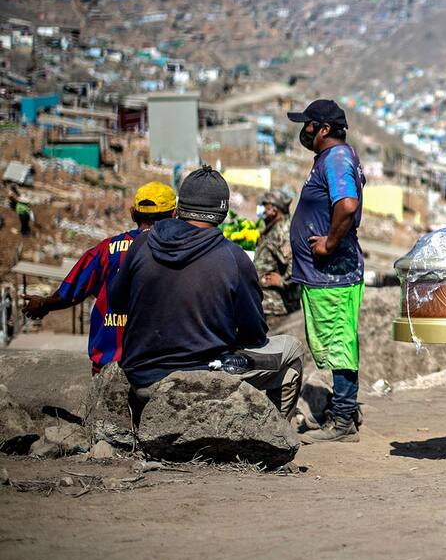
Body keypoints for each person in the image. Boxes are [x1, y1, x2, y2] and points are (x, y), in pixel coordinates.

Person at [109, 166, 304, 417]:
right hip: (203, 381)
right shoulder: (234, 258)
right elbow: (255, 335)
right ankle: (274, 439)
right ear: (222, 213)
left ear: (178, 209)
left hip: (142, 379)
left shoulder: (141, 244)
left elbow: (116, 303)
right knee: (292, 350)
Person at [22, 181, 176, 374]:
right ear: (173, 215)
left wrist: (44, 304)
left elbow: (69, 292)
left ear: (133, 213)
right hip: (158, 367)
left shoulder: (107, 249)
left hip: (109, 365)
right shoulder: (179, 251)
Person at [287, 99, 366, 443]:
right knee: (334, 344)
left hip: (334, 273)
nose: (303, 131)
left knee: (339, 345)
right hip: (325, 275)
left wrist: (329, 243)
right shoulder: (331, 160)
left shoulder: (335, 159)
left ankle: (344, 420)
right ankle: (343, 408)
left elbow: (347, 205)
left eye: (307, 125)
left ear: (322, 129)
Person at [254, 188, 299, 325]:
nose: (261, 209)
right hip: (268, 304)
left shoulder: (282, 231)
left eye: (264, 205)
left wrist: (283, 281)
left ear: (274, 209)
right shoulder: (273, 227)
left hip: (278, 307)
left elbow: (295, 260)